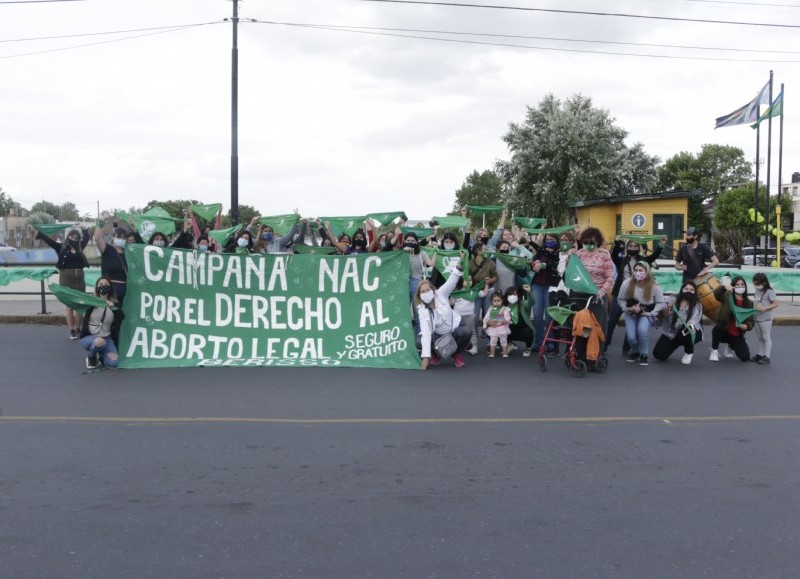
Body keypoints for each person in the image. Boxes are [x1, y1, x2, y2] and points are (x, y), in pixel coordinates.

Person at [607, 236, 665, 353]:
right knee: (612, 320)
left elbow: (654, 256)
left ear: (638, 248)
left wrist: (661, 245)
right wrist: (617, 241)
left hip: (636, 296)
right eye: (630, 246)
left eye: (635, 246)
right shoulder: (622, 259)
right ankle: (605, 345)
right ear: (627, 247)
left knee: (631, 322)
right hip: (621, 294)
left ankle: (627, 347)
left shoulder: (642, 260)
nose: (632, 248)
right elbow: (613, 255)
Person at [34, 225, 90, 339]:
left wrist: (84, 229)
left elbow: (87, 237)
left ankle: (78, 328)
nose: (74, 238)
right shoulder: (61, 248)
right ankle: (72, 330)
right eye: (72, 236)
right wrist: (39, 233)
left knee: (80, 304)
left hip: (79, 277)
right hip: (66, 278)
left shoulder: (80, 246)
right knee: (69, 305)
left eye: (76, 236)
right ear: (68, 237)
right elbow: (49, 241)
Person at [416, 259, 471, 369]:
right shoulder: (421, 310)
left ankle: (456, 354)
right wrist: (425, 358)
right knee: (419, 341)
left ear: (432, 289)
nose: (426, 293)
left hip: (454, 328)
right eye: (423, 292)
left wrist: (458, 267)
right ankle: (435, 354)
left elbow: (451, 281)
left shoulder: (441, 293)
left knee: (466, 332)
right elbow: (426, 333)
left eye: (428, 290)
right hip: (438, 334)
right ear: (419, 295)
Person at [617, 261, 665, 366]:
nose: (638, 272)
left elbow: (661, 303)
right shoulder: (627, 283)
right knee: (631, 337)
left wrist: (651, 313)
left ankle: (644, 354)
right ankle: (635, 351)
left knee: (642, 330)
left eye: (641, 270)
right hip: (631, 312)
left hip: (647, 312)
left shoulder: (654, 285)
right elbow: (620, 300)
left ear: (647, 272)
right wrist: (628, 309)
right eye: (636, 270)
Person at [653, 280, 703, 365]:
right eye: (686, 289)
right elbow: (662, 316)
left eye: (691, 290)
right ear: (681, 290)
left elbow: (692, 322)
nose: (689, 291)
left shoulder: (697, 305)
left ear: (694, 292)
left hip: (689, 331)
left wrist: (686, 329)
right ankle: (676, 343)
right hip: (671, 333)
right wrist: (669, 308)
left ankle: (688, 352)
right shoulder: (671, 299)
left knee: (687, 330)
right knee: (658, 354)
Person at [528, 232, 562, 355]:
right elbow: (533, 263)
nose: (549, 241)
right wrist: (533, 264)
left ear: (556, 240)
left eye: (551, 239)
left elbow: (555, 264)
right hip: (537, 284)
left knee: (549, 316)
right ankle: (538, 342)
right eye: (547, 239)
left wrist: (544, 265)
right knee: (537, 315)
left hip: (551, 285)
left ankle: (550, 342)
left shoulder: (558, 252)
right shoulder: (541, 251)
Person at [79, 277, 123, 369]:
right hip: (90, 337)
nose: (103, 286)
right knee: (99, 341)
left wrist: (113, 307)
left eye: (106, 284)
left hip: (106, 337)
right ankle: (92, 357)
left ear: (110, 287)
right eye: (101, 284)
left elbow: (121, 316)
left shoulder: (114, 304)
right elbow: (77, 302)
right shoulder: (90, 302)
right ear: (96, 287)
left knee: (113, 364)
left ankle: (101, 357)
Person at [709, 275, 754, 362]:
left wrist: (747, 326)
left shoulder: (749, 303)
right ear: (733, 285)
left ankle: (731, 345)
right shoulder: (727, 296)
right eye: (738, 284)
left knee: (745, 357)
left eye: (742, 284)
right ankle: (714, 350)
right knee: (718, 327)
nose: (740, 286)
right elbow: (716, 294)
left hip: (737, 333)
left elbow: (750, 321)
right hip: (724, 329)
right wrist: (724, 287)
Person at [95, 213, 130, 304]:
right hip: (108, 290)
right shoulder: (107, 249)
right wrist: (102, 221)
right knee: (109, 315)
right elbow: (97, 238)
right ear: (113, 237)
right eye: (118, 237)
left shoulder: (129, 254)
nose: (121, 239)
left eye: (123, 238)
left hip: (127, 291)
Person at [751, 272, 779, 364]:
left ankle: (766, 356)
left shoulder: (769, 292)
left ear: (764, 283)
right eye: (754, 283)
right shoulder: (757, 291)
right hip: (757, 318)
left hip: (765, 318)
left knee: (766, 337)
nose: (755, 286)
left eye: (757, 284)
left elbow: (776, 303)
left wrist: (765, 308)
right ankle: (760, 354)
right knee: (760, 337)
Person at [504, 285, 535, 357]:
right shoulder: (504, 306)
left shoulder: (522, 304)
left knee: (528, 331)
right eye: (510, 294)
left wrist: (529, 292)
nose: (512, 296)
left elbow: (532, 302)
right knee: (494, 329)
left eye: (514, 294)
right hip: (509, 331)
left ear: (518, 295)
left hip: (522, 331)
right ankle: (510, 343)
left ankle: (528, 348)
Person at [483, 291, 512, 358]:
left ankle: (505, 353)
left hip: (502, 327)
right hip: (493, 327)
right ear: (492, 301)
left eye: (498, 301)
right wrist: (485, 324)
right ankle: (492, 353)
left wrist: (505, 320)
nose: (496, 302)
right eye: (494, 301)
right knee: (493, 340)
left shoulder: (505, 309)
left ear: (502, 300)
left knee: (503, 340)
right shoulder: (490, 309)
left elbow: (508, 317)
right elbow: (486, 317)